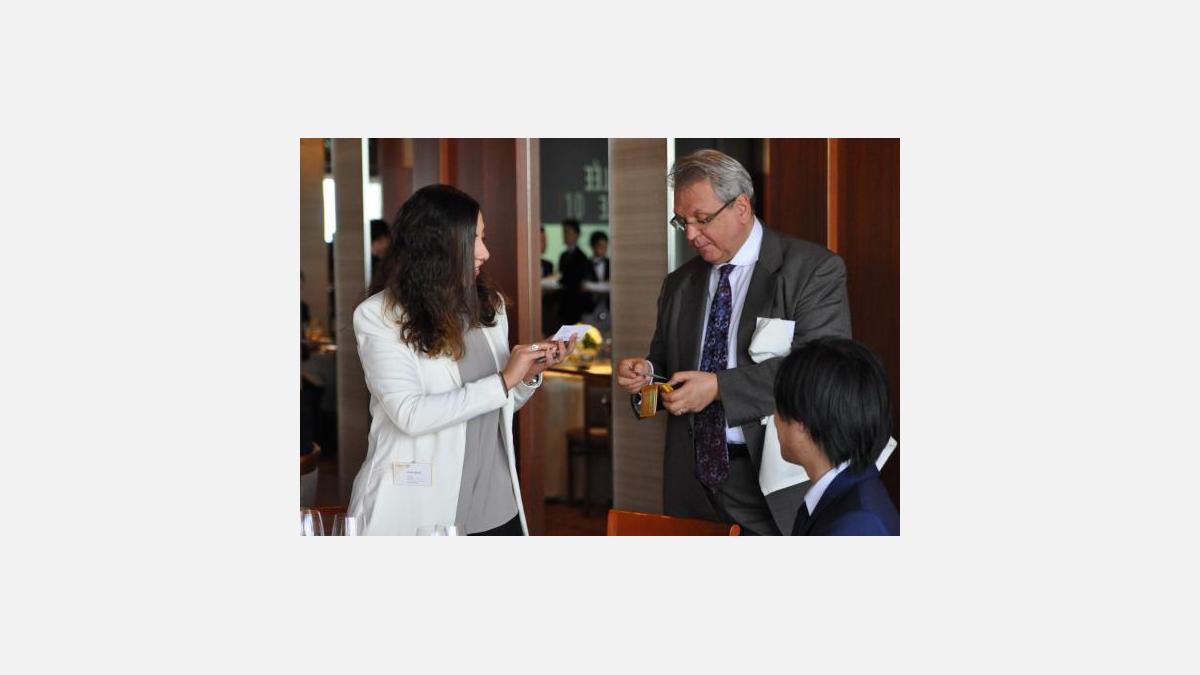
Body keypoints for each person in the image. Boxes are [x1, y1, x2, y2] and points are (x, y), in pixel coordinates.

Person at [616, 149, 852, 535]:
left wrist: (718, 388)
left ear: (741, 206)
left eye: (702, 219)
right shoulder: (679, 284)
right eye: (683, 221)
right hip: (690, 482)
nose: (690, 234)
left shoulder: (810, 271)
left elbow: (821, 373)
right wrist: (646, 375)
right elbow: (665, 364)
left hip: (773, 479)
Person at [348, 184, 576, 536]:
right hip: (422, 499)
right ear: (435, 246)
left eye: (484, 237)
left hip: (496, 498)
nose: (485, 252)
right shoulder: (379, 315)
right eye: (473, 240)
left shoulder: (489, 307)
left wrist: (527, 376)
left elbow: (498, 405)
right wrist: (504, 379)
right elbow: (410, 414)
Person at [773, 337, 898, 535]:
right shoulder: (843, 497)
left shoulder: (856, 524)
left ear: (802, 422)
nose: (774, 419)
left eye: (778, 407)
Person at [557, 218, 593, 325]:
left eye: (568, 232)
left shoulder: (582, 257)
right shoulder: (563, 256)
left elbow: (577, 281)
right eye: (564, 232)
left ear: (576, 234)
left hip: (576, 305)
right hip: (564, 305)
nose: (565, 236)